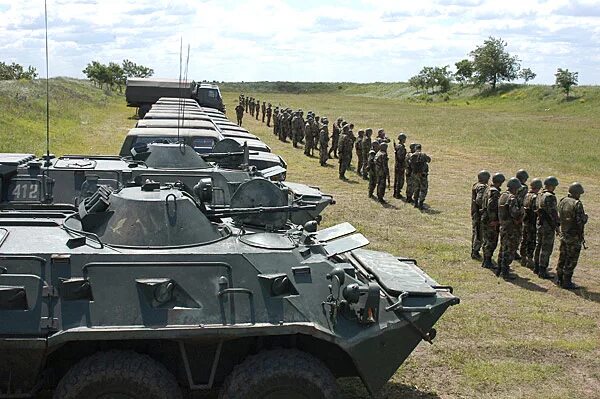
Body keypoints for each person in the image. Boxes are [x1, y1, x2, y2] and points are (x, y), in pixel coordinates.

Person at [556, 182, 588, 289]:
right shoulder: (577, 204)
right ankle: (567, 281)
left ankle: (559, 278)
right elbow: (580, 221)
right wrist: (585, 218)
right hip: (573, 236)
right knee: (572, 259)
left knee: (562, 256)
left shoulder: (563, 200)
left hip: (564, 233)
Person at [497, 177, 524, 279]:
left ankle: (500, 269)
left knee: (503, 248)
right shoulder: (512, 198)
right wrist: (522, 210)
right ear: (515, 188)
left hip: (504, 226)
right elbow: (516, 213)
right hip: (511, 228)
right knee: (509, 250)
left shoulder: (503, 195)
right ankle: (505, 272)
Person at [533, 176, 560, 279]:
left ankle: (536, 267)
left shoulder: (539, 194)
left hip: (539, 223)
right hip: (547, 226)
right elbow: (553, 214)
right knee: (546, 248)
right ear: (552, 186)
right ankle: (542, 270)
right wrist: (557, 225)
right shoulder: (550, 196)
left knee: (538, 245)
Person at [481, 173, 505, 270]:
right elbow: (491, 206)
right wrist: (494, 220)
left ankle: (485, 260)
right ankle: (487, 261)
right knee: (491, 241)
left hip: (485, 218)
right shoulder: (494, 192)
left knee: (487, 240)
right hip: (491, 221)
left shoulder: (488, 189)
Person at [519, 178, 543, 268]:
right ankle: (529, 259)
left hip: (525, 221)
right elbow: (536, 210)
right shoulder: (535, 197)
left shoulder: (526, 195)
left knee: (524, 240)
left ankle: (523, 258)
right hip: (532, 222)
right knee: (531, 241)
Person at [471, 170, 491, 260]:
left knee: (477, 231)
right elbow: (479, 200)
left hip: (475, 212)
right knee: (479, 232)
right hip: (479, 213)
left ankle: (475, 250)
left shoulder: (476, 185)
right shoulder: (482, 187)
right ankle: (475, 251)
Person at [409, 144, 431, 210]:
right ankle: (421, 203)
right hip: (422, 174)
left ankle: (416, 203)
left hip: (415, 174)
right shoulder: (423, 155)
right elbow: (429, 160)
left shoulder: (412, 155)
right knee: (423, 189)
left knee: (416, 188)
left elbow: (409, 163)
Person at [393, 133, 407, 199]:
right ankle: (397, 193)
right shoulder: (401, 147)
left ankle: (396, 192)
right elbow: (400, 157)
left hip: (398, 165)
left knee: (397, 179)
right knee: (400, 180)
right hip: (400, 165)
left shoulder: (398, 146)